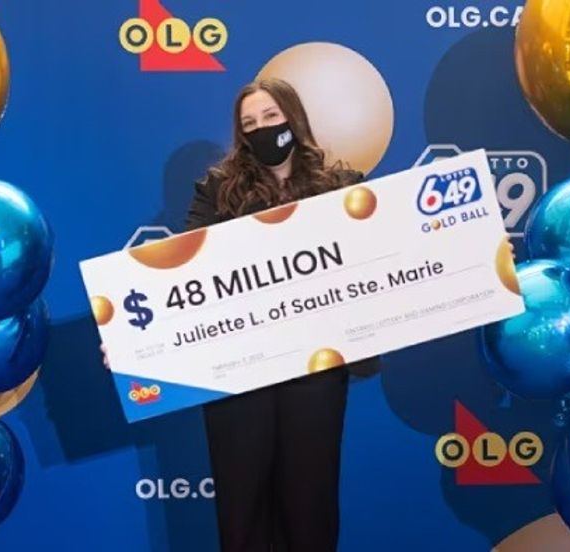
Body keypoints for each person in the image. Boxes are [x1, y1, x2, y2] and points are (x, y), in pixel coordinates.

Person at [104, 77, 380, 552]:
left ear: (294, 118)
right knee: (242, 510)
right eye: (249, 123)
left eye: (271, 117)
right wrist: (128, 339)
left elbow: (388, 266)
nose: (261, 129)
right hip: (239, 376)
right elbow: (183, 274)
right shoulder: (216, 191)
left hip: (315, 374)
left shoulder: (343, 189)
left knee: (311, 508)